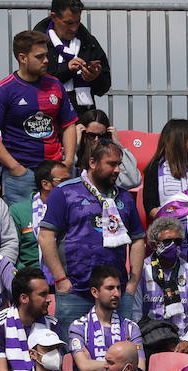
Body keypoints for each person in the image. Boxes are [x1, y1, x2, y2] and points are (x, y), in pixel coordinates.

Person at [39, 140, 145, 335]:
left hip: (116, 292)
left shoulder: (125, 198)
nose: (117, 170)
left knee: (118, 351)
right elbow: (46, 236)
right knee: (72, 350)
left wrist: (132, 283)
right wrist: (61, 279)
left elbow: (138, 239)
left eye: (119, 164)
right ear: (93, 162)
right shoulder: (65, 192)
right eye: (111, 164)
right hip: (75, 290)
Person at [0, 30, 78, 206]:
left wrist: (68, 160)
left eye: (46, 55)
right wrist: (16, 168)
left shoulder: (55, 85)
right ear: (22, 58)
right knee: (24, 231)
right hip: (21, 176)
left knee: (62, 228)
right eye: (39, 56)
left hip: (56, 173)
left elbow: (69, 125)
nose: (46, 60)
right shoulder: (2, 90)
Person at [137, 217, 188, 352]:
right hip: (150, 340)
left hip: (183, 340)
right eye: (168, 241)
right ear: (153, 245)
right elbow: (135, 314)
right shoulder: (142, 271)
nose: (174, 245)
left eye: (178, 241)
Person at [68, 265, 144, 371]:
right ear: (95, 292)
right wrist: (124, 366)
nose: (116, 293)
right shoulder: (78, 327)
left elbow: (139, 368)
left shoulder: (131, 328)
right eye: (110, 288)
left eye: (118, 288)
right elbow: (84, 366)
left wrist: (93, 364)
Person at [34, 0, 110, 112]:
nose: (74, 28)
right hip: (48, 116)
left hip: (84, 117)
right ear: (54, 17)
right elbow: (33, 82)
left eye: (77, 22)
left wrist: (94, 77)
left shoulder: (89, 42)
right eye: (69, 23)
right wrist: (67, 70)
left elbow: (103, 88)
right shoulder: (37, 44)